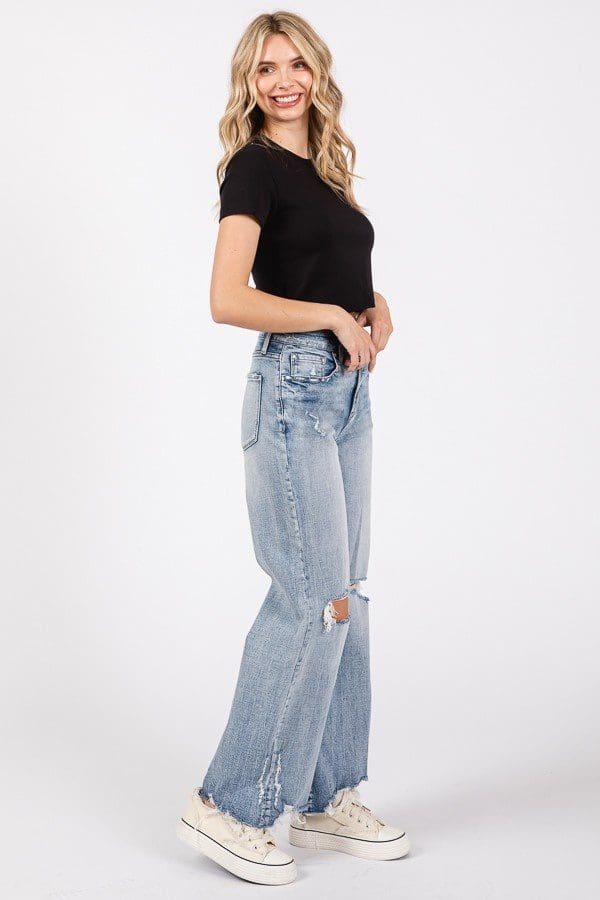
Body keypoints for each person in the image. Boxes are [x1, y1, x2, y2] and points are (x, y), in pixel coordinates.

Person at [177, 11, 409, 885]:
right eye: (265, 67)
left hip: (346, 392)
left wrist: (374, 304)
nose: (282, 79)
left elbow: (327, 265)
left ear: (318, 72)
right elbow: (226, 298)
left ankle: (322, 795)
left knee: (345, 593)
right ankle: (228, 805)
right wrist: (324, 316)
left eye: (296, 63)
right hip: (294, 395)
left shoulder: (324, 171)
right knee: (307, 596)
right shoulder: (253, 168)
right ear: (250, 81)